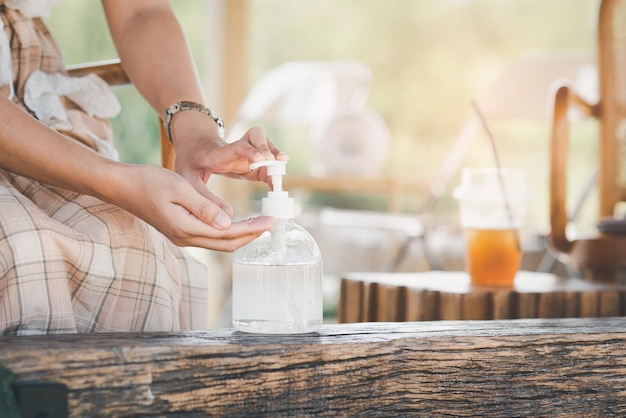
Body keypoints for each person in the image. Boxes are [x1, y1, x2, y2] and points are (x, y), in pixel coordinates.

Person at [0, 0, 287, 335]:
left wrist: (197, 135)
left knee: (138, 246)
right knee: (26, 250)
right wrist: (116, 181)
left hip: (36, 104)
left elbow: (141, 11)